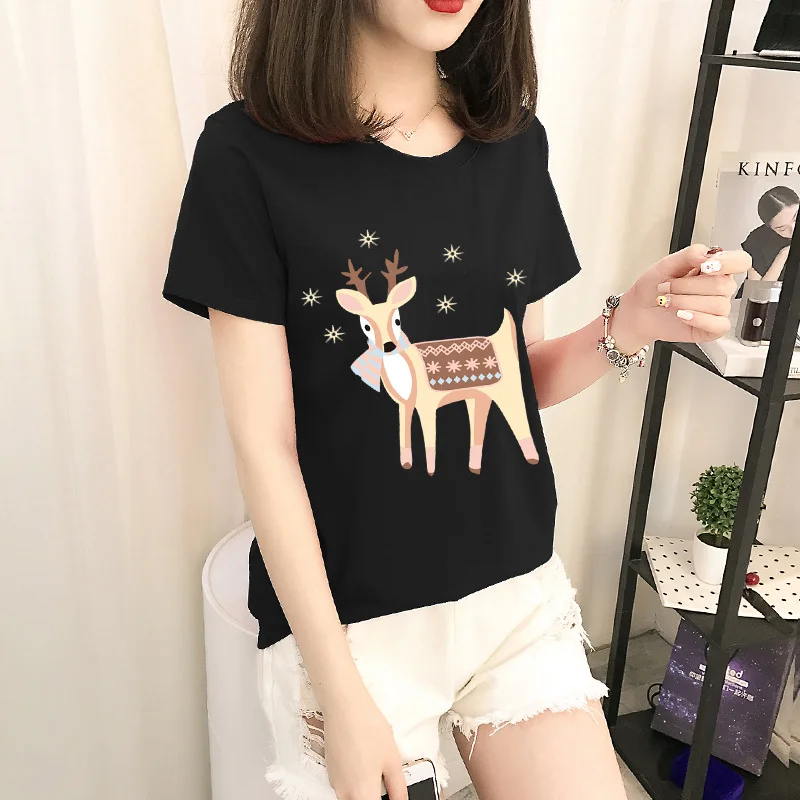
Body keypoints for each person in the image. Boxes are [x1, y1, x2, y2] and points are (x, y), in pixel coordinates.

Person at [161, 2, 749, 799]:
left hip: (514, 598)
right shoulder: (246, 154)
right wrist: (339, 691)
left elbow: (519, 375)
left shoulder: (511, 143)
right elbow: (266, 445)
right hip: (354, 626)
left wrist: (631, 322)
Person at [741, 186, 798, 287]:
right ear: (770, 228)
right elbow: (758, 291)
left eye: (796, 218)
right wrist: (783, 255)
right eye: (782, 229)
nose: (793, 229)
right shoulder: (757, 240)